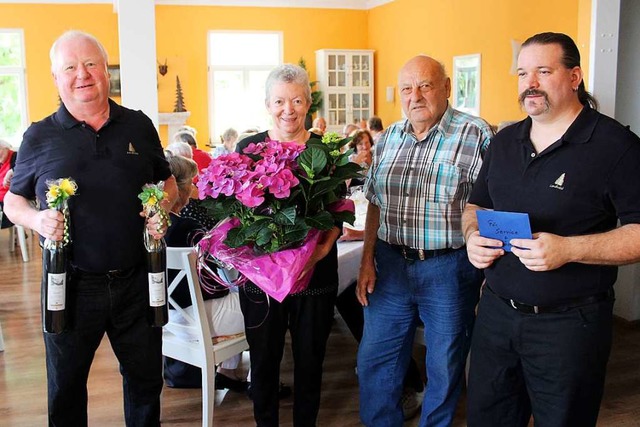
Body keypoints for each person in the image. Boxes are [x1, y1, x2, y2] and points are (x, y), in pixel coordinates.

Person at [462, 32, 640, 427]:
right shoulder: (505, 140)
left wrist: (569, 250)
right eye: (523, 73)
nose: (530, 83)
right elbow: (476, 205)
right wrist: (472, 236)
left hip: (569, 325)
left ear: (575, 76)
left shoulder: (617, 146)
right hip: (495, 315)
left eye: (543, 71)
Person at [3, 30, 178, 426]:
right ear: (56, 78)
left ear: (105, 70)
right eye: (70, 67)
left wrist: (161, 206)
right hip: (70, 285)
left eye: (91, 64)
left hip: (138, 280)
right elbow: (13, 201)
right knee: (65, 390)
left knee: (145, 383)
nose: (82, 74)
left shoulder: (138, 126)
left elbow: (167, 182)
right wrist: (36, 219)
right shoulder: (39, 135)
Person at [356, 55, 493, 426]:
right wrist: (367, 260)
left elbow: (493, 209)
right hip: (390, 265)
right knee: (375, 361)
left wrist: (489, 278)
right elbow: (374, 204)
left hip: (449, 269)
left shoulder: (477, 135)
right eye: (406, 88)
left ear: (447, 88)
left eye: (425, 86)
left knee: (444, 365)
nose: (415, 96)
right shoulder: (388, 140)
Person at [235, 63, 341, 427]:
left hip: (315, 273)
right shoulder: (248, 148)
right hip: (260, 280)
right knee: (263, 362)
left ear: (308, 103)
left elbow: (337, 213)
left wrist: (320, 252)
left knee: (311, 361)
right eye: (280, 100)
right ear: (267, 103)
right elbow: (236, 214)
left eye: (297, 100)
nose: (288, 109)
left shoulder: (324, 150)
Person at [162, 153, 247, 392]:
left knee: (238, 294)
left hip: (166, 320)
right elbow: (222, 269)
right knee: (264, 301)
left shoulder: (151, 225)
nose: (195, 187)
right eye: (192, 182)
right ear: (180, 188)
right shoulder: (188, 227)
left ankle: (229, 372)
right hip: (194, 320)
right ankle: (261, 382)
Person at [0, 139, 17, 228]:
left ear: (6, 148)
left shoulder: (16, 157)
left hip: (9, 198)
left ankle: (9, 236)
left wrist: (11, 171)